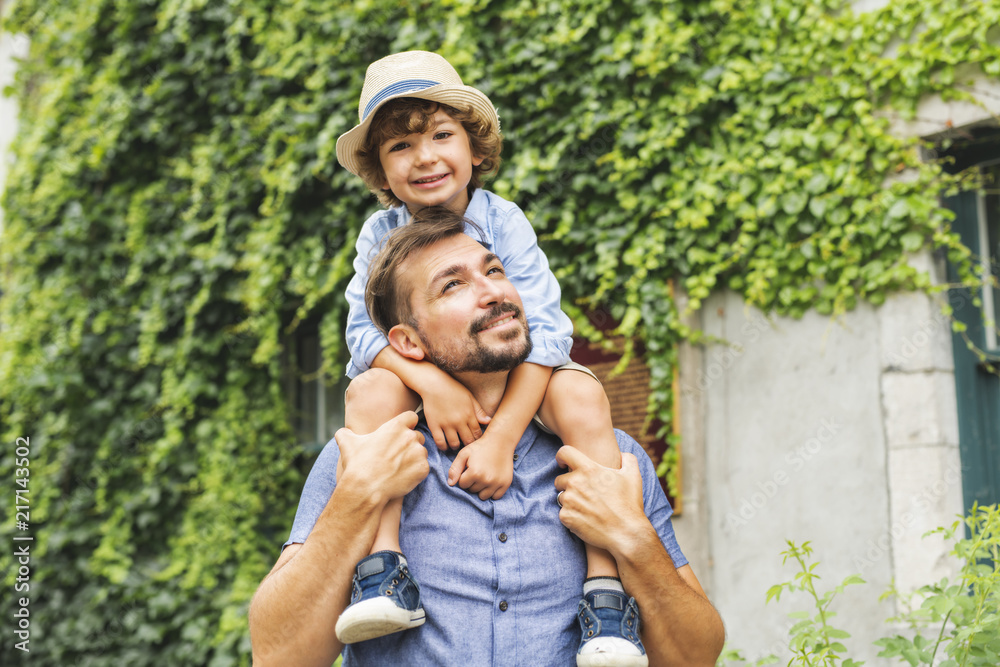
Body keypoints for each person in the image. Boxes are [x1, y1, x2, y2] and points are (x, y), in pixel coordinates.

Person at [248, 209, 725, 667]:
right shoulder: (366, 451)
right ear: (408, 343)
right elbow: (277, 657)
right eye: (453, 284)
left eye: (494, 270)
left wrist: (631, 537)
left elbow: (695, 658)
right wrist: (358, 495)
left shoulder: (609, 459)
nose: (492, 291)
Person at [334, 49, 643, 663]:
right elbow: (363, 339)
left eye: (441, 136)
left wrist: (502, 438)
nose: (424, 157)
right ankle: (383, 567)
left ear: (474, 149)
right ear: (382, 173)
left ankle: (605, 594)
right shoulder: (378, 236)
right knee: (369, 391)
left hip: (523, 375)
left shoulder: (504, 221)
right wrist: (434, 386)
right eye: (400, 147)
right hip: (433, 374)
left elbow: (550, 337)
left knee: (582, 393)